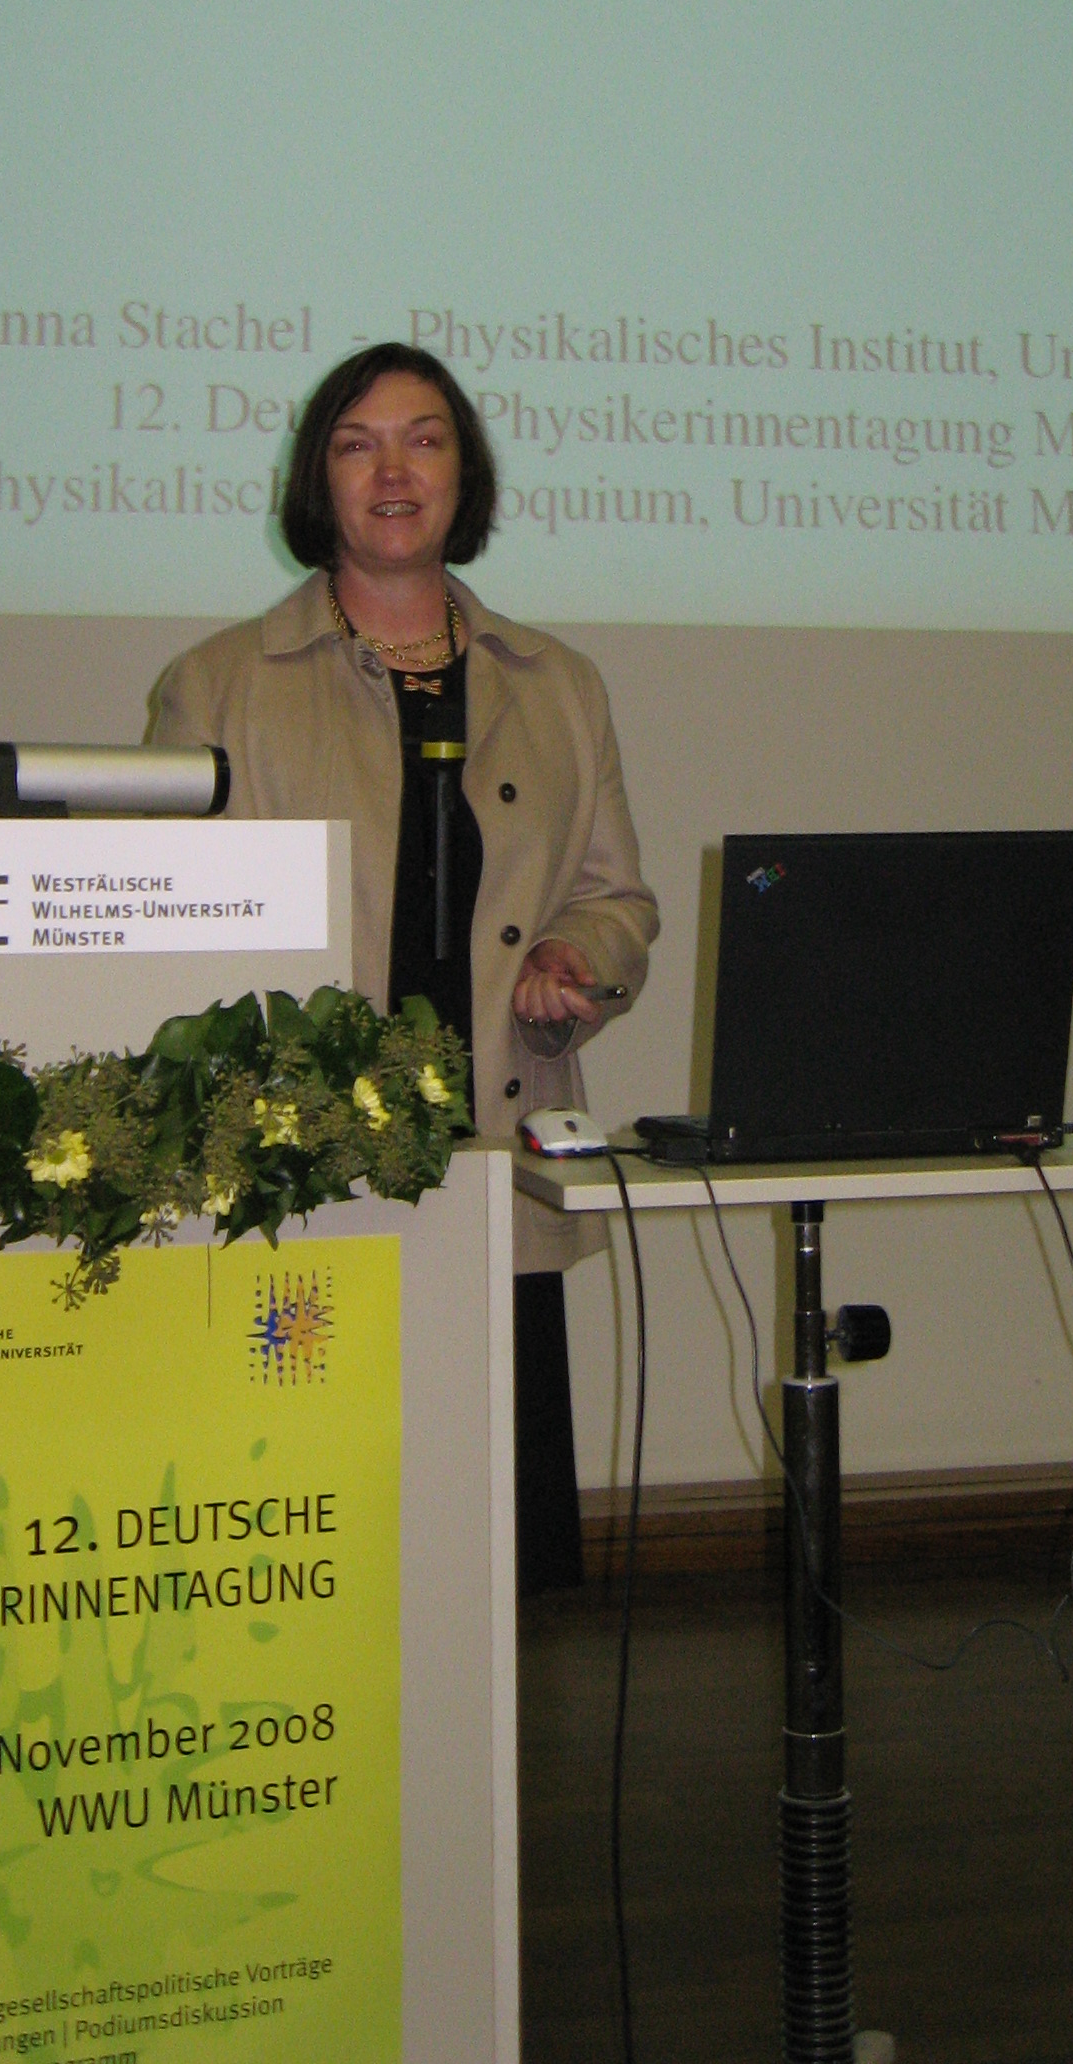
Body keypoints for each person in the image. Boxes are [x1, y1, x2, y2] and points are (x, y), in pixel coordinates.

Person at [146, 342, 657, 1590]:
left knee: (493, 1565)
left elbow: (616, 900)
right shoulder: (216, 686)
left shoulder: (558, 685)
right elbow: (156, 925)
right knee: (308, 1559)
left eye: (424, 441)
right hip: (297, 1181)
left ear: (463, 475)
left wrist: (577, 956)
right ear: (316, 479)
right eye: (357, 444)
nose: (392, 472)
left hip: (495, 1163)